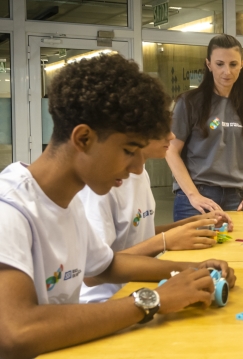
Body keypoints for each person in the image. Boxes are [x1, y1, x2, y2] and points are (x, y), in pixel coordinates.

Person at [0, 54, 236, 359]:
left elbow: (108, 266)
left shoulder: (69, 202)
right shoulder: (10, 210)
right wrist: (152, 300)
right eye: (128, 150)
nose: (139, 168)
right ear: (83, 139)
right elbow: (17, 335)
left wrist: (194, 273)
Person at [79, 130, 234, 304]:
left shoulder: (140, 173)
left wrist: (191, 224)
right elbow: (93, 272)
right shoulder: (99, 187)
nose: (172, 136)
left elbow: (136, 234)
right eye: (162, 129)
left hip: (137, 287)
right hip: (106, 301)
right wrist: (165, 241)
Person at [166, 34, 243, 220]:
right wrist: (193, 195)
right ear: (208, 64)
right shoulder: (189, 103)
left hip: (237, 198)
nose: (226, 71)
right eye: (220, 64)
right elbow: (171, 151)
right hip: (197, 198)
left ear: (242, 64)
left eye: (233, 64)